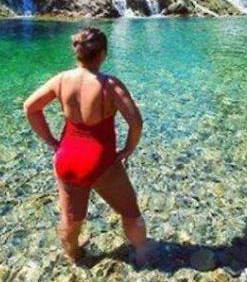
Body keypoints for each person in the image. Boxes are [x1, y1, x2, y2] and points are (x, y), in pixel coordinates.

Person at [23, 27, 151, 263]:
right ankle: (143, 255)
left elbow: (30, 108)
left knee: (71, 219)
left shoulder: (61, 80)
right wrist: (128, 148)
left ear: (77, 53)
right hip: (101, 160)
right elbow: (136, 122)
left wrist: (52, 142)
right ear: (102, 54)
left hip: (67, 157)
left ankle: (75, 257)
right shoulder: (109, 84)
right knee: (131, 213)